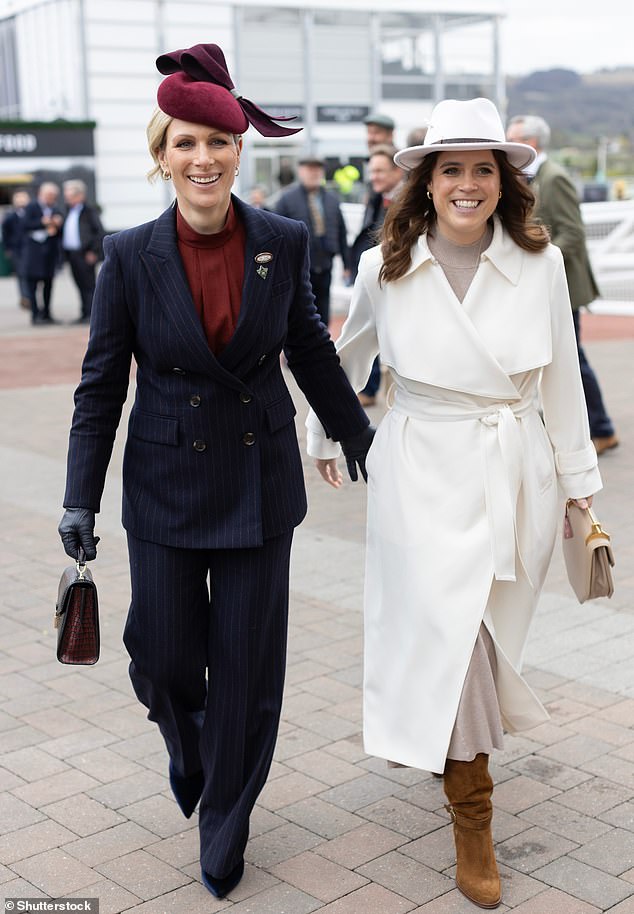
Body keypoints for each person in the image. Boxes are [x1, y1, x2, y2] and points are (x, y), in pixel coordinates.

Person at [57, 42, 373, 901]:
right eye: (185, 143)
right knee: (161, 657)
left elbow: (308, 346)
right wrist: (78, 497)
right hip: (161, 487)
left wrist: (355, 433)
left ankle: (225, 822)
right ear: (162, 156)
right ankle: (189, 745)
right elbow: (98, 388)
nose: (204, 158)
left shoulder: (281, 238)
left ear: (241, 150)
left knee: (245, 666)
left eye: (219, 143)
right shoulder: (128, 256)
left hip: (258, 482)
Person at [306, 98, 602, 909]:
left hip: (515, 471)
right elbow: (345, 355)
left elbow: (563, 384)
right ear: (425, 183)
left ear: (503, 182)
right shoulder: (384, 267)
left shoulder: (539, 265)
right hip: (419, 471)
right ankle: (474, 821)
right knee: (453, 630)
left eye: (482, 169)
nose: (467, 184)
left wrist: (582, 492)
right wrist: (326, 436)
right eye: (451, 169)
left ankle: (443, 734)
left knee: (477, 632)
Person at [506, 115, 619, 456]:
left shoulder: (554, 178)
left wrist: (537, 258)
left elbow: (573, 232)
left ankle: (602, 429)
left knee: (573, 359)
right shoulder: (530, 176)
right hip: (543, 286)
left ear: (532, 142)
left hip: (564, 285)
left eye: (513, 140)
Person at [350, 144, 405, 406]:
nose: (375, 178)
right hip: (374, 274)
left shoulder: (409, 199)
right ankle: (368, 389)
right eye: (372, 172)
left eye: (380, 172)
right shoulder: (376, 195)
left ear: (398, 171)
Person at [274, 156, 350, 328]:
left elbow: (342, 232)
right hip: (298, 265)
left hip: (325, 262)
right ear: (300, 171)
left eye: (317, 169)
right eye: (309, 169)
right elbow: (276, 234)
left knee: (323, 307)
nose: (313, 173)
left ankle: (322, 344)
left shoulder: (331, 199)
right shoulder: (287, 199)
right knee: (299, 309)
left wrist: (347, 264)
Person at [62, 179, 106, 323]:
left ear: (80, 195)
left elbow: (99, 232)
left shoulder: (89, 211)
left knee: (89, 286)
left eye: (70, 196)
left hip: (85, 253)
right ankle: (84, 313)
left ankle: (93, 315)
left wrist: (93, 251)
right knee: (79, 284)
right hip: (72, 254)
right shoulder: (68, 211)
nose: (67, 199)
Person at [22, 182, 63, 324]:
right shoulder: (32, 207)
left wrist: (58, 224)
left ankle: (47, 314)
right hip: (33, 255)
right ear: (41, 194)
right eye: (48, 195)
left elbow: (60, 233)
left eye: (53, 196)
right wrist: (42, 222)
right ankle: (35, 315)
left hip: (49, 255)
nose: (51, 198)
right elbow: (25, 225)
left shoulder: (56, 209)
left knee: (48, 285)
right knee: (32, 286)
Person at [1, 189, 31, 309]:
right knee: (21, 274)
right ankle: (25, 297)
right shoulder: (10, 217)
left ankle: (29, 296)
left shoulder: (30, 214)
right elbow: (5, 233)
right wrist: (8, 248)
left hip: (29, 249)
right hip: (16, 249)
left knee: (29, 274)